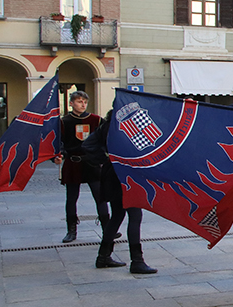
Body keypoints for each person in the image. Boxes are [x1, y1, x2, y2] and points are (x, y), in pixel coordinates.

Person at [82, 110, 157, 274]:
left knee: (117, 215)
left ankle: (103, 256)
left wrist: (105, 160)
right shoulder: (128, 126)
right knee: (135, 215)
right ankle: (137, 260)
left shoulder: (108, 125)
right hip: (126, 174)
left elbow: (88, 145)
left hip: (112, 173)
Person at [53, 90, 109, 243]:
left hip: (92, 163)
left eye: (84, 101)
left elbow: (106, 138)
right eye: (79, 101)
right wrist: (58, 156)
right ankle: (71, 230)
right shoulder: (63, 122)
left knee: (101, 197)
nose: (82, 104)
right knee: (71, 198)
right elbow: (59, 143)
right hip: (73, 162)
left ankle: (108, 229)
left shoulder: (96, 120)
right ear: (71, 103)